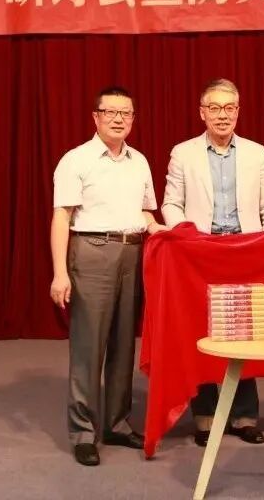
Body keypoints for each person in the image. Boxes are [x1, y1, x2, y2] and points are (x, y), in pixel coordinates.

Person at [50, 86, 167, 466]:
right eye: (111, 112)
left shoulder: (139, 161)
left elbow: (145, 212)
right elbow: (62, 217)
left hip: (133, 253)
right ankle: (84, 432)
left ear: (133, 118)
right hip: (92, 251)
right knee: (89, 346)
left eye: (126, 113)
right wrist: (59, 273)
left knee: (123, 344)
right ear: (96, 117)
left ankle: (117, 423)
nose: (118, 119)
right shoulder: (76, 160)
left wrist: (162, 230)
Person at [161, 78, 264, 447]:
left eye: (229, 108)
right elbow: (171, 203)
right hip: (202, 254)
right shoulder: (183, 153)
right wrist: (186, 237)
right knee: (204, 331)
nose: (222, 115)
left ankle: (244, 417)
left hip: (246, 252)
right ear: (202, 113)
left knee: (245, 332)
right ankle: (206, 417)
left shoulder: (257, 153)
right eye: (214, 108)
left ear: (238, 112)